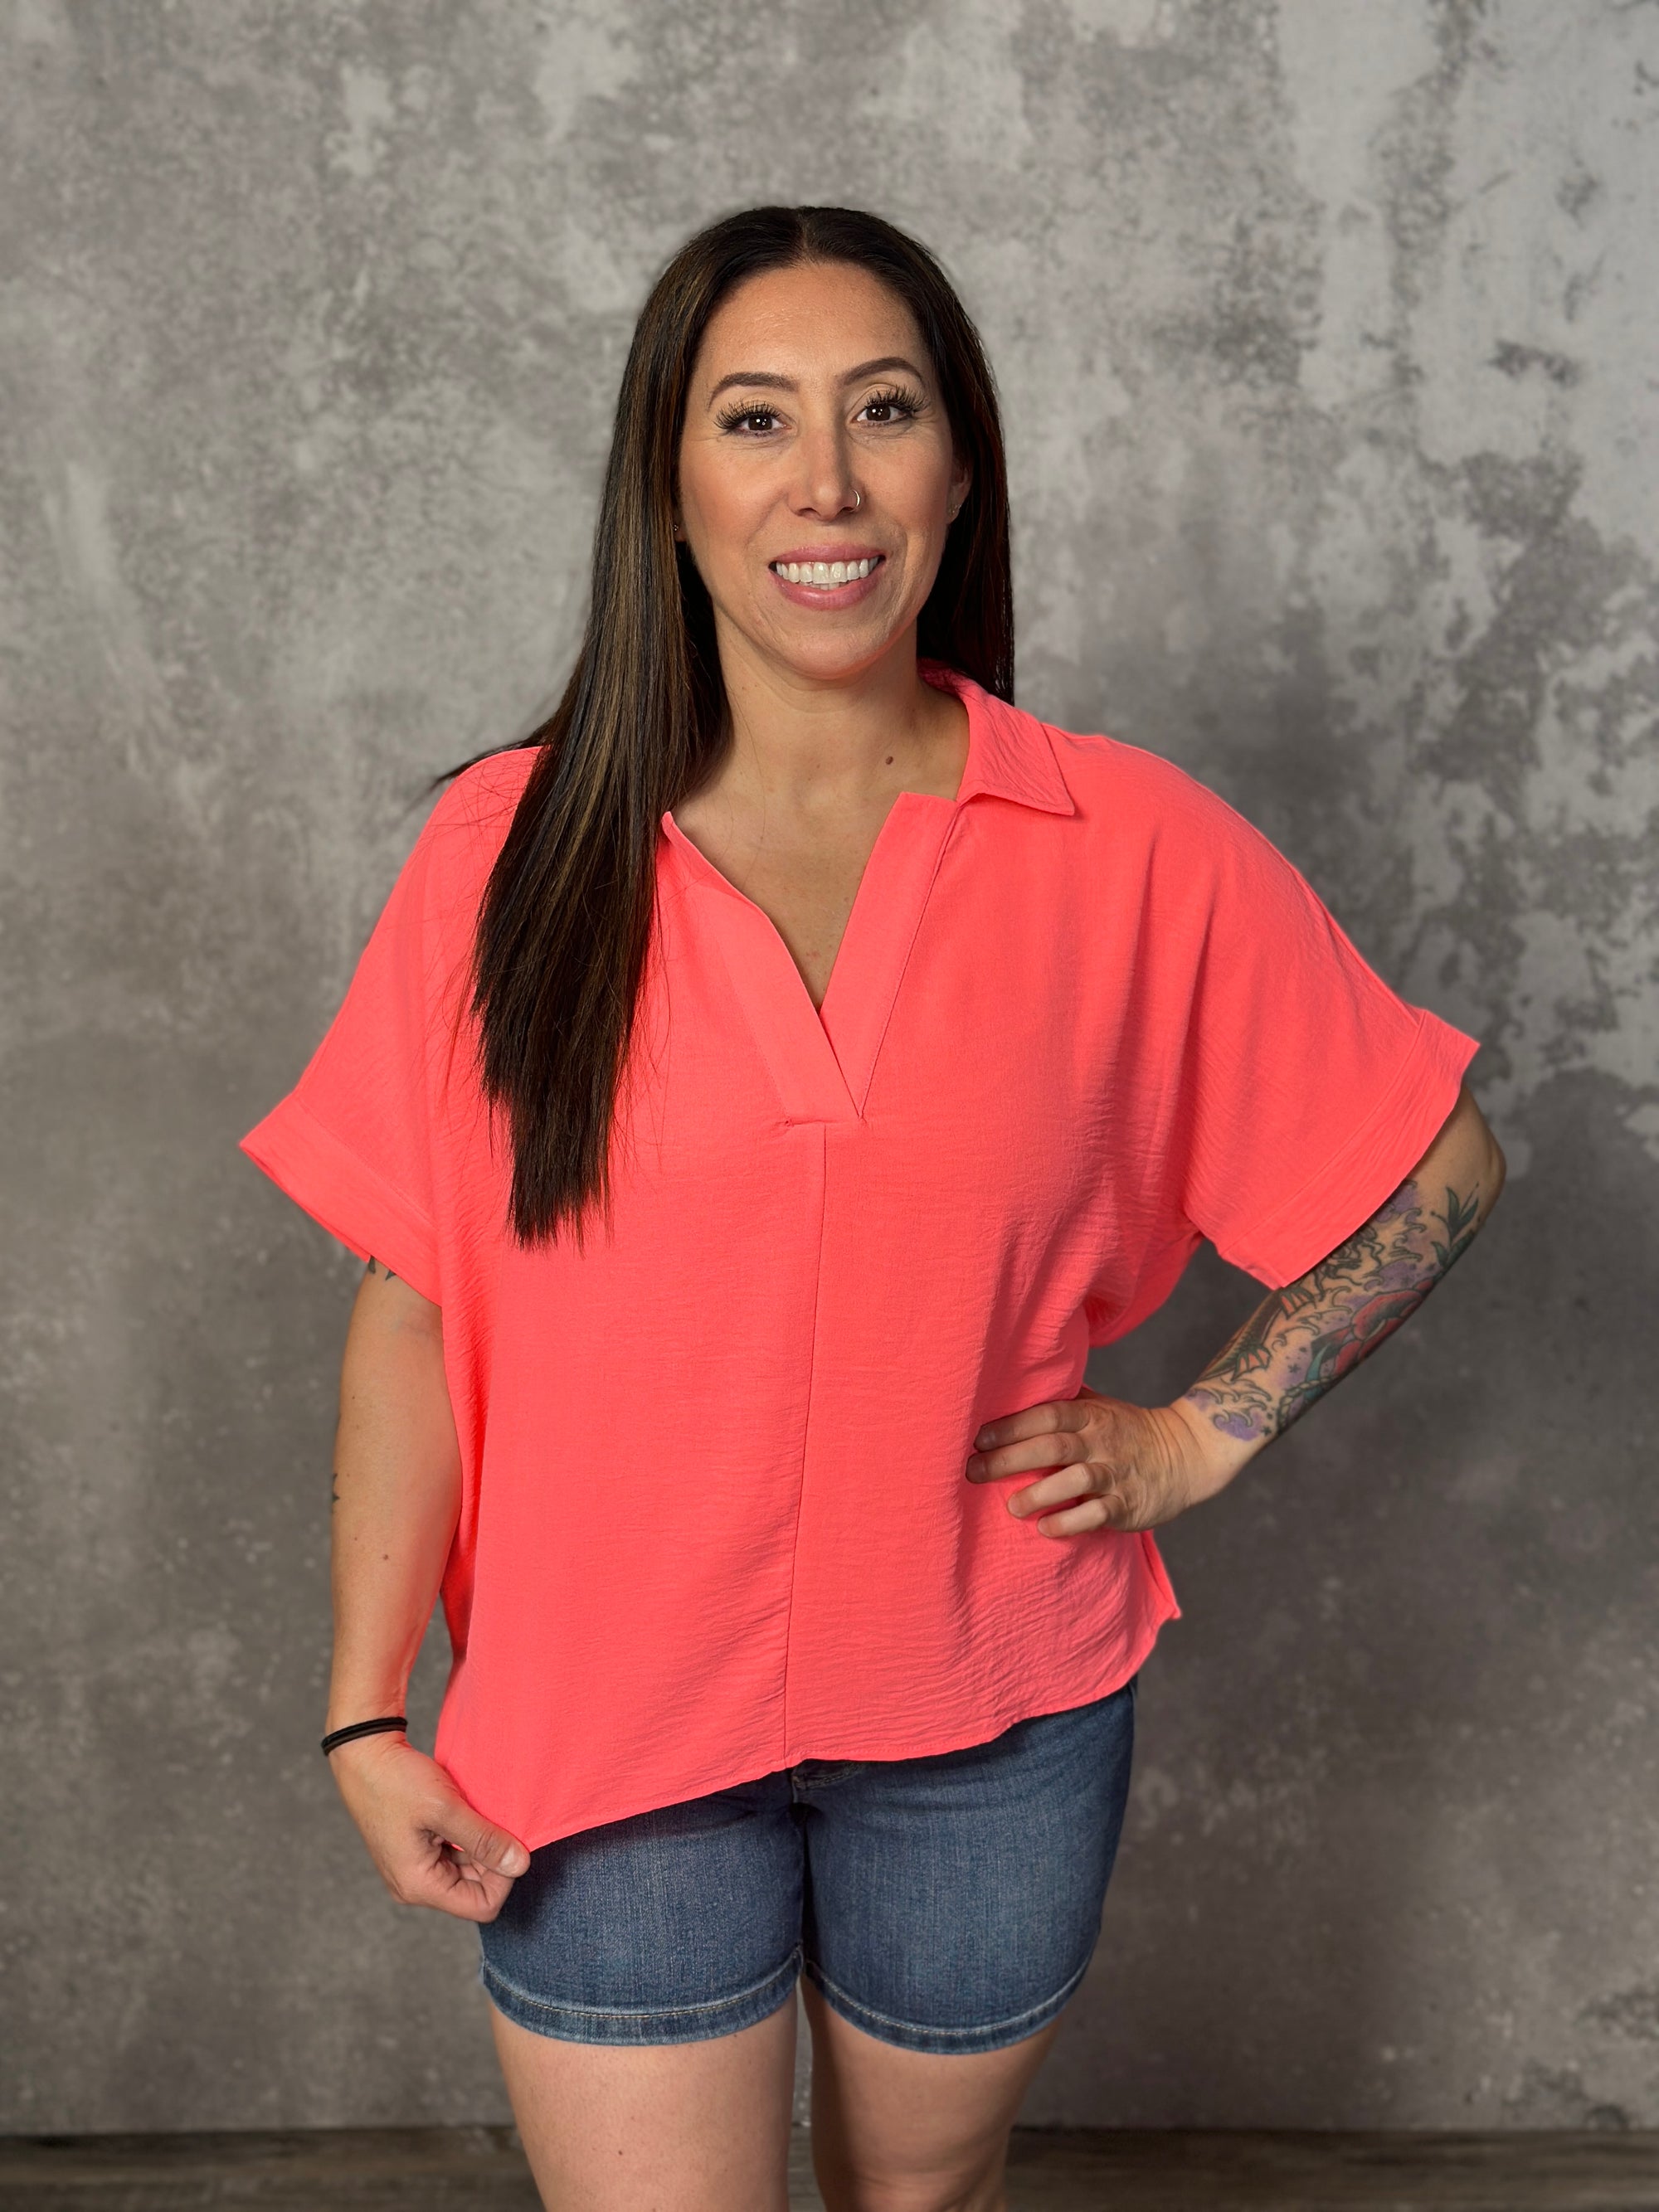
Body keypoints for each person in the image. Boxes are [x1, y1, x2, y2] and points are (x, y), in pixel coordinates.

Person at [241, 204, 1505, 2212]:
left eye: (883, 411)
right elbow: (414, 1299)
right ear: (668, 482)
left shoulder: (1127, 843)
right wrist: (360, 1710)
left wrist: (1199, 1433)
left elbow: (1437, 1163)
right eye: (755, 418)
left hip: (988, 1714)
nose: (823, 480)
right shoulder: (508, 849)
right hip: (601, 1730)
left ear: (956, 468)